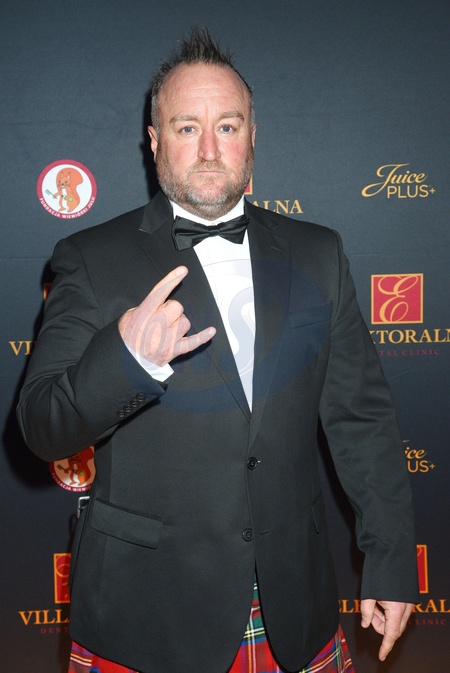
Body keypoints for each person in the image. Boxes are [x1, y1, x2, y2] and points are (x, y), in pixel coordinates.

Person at [18, 27, 418, 673]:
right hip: (142, 616)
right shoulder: (90, 259)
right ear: (155, 142)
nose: (209, 148)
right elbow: (41, 424)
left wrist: (393, 559)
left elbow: (362, 421)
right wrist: (126, 362)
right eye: (187, 128)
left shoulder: (319, 253)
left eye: (227, 126)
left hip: (293, 606)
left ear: (252, 137)